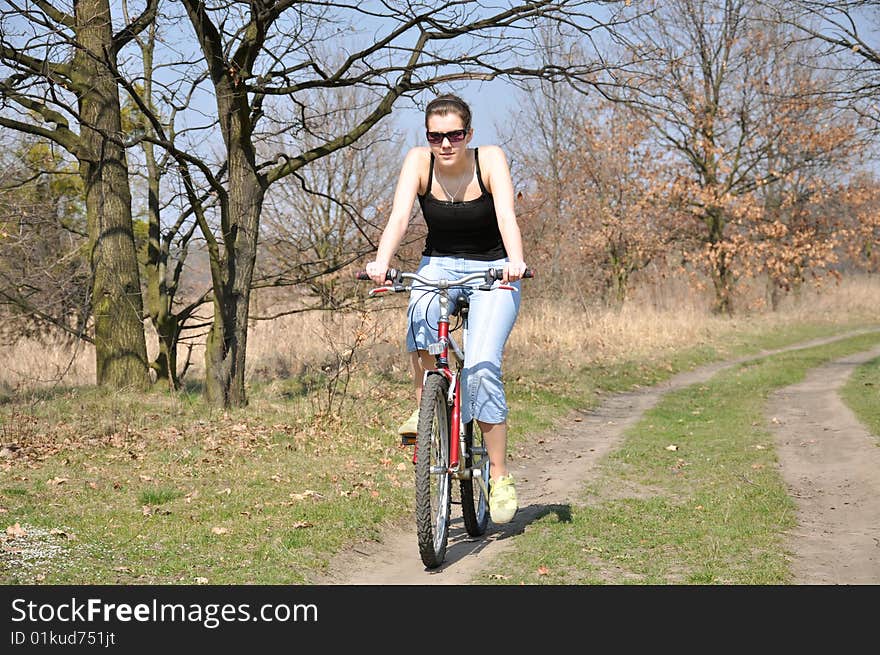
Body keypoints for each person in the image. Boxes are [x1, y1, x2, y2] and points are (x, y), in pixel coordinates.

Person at [365, 94, 527, 524]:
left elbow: (507, 215)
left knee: (482, 364)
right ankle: (426, 410)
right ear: (428, 137)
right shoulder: (419, 162)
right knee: (419, 321)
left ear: (468, 134)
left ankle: (498, 474)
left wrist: (515, 261)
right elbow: (400, 216)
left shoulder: (489, 159)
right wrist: (382, 262)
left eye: (455, 134)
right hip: (437, 264)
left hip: (494, 269)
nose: (446, 144)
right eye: (436, 136)